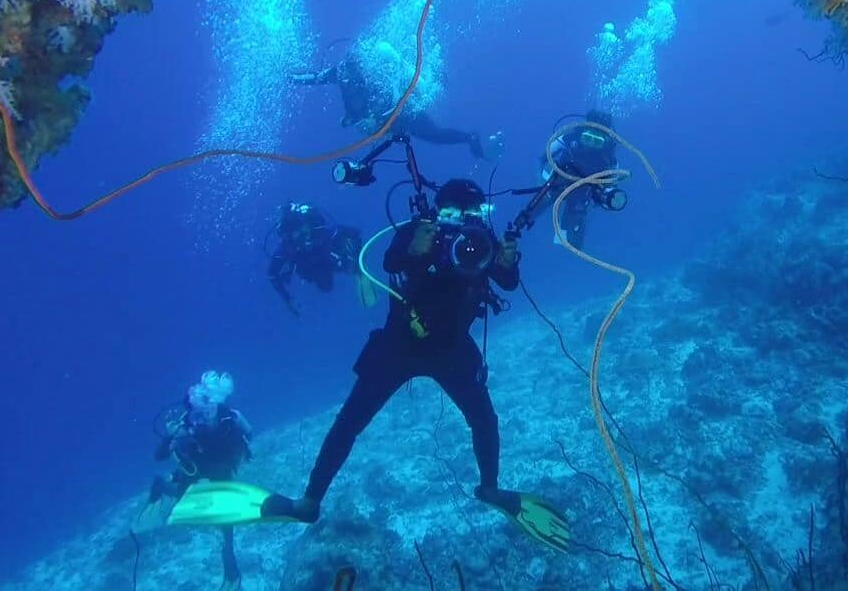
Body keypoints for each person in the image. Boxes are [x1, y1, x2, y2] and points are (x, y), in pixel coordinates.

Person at [167, 180, 569, 552]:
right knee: (350, 421)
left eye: (468, 215)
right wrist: (415, 248)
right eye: (450, 214)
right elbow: (388, 261)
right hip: (399, 344)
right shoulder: (419, 229)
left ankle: (490, 489)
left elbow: (506, 282)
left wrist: (508, 261)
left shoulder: (482, 238)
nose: (458, 224)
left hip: (450, 349)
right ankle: (309, 501)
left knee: (484, 419)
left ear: (480, 215)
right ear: (438, 210)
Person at [139, 372, 253, 591]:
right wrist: (168, 437)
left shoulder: (232, 417)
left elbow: (250, 434)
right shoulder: (186, 425)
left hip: (221, 472)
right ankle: (160, 486)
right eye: (200, 411)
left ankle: (231, 572)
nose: (205, 416)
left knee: (225, 518)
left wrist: (243, 449)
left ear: (219, 402)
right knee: (184, 498)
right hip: (194, 471)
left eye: (210, 409)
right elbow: (159, 456)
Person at [292, 53, 488, 159]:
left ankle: (469, 137)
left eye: (353, 77)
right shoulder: (341, 73)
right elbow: (316, 78)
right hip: (378, 120)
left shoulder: (373, 80)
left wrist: (375, 118)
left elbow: (392, 102)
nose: (348, 80)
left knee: (434, 135)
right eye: (346, 76)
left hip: (403, 112)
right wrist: (294, 79)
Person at [528, 109, 625, 249]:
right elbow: (540, 159)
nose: (590, 145)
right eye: (587, 138)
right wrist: (541, 180)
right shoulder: (568, 139)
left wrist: (607, 199)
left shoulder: (609, 158)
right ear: (581, 133)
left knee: (573, 243)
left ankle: (563, 258)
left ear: (605, 141)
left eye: (597, 141)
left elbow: (610, 188)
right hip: (556, 185)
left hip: (581, 196)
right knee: (528, 214)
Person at [268, 202, 372, 315]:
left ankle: (354, 264)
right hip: (310, 267)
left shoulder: (322, 232)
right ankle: (351, 264)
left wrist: (359, 256)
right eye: (299, 236)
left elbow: (354, 233)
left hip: (327, 255)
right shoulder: (286, 248)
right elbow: (272, 274)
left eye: (304, 233)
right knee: (326, 287)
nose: (305, 240)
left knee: (343, 262)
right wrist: (288, 300)